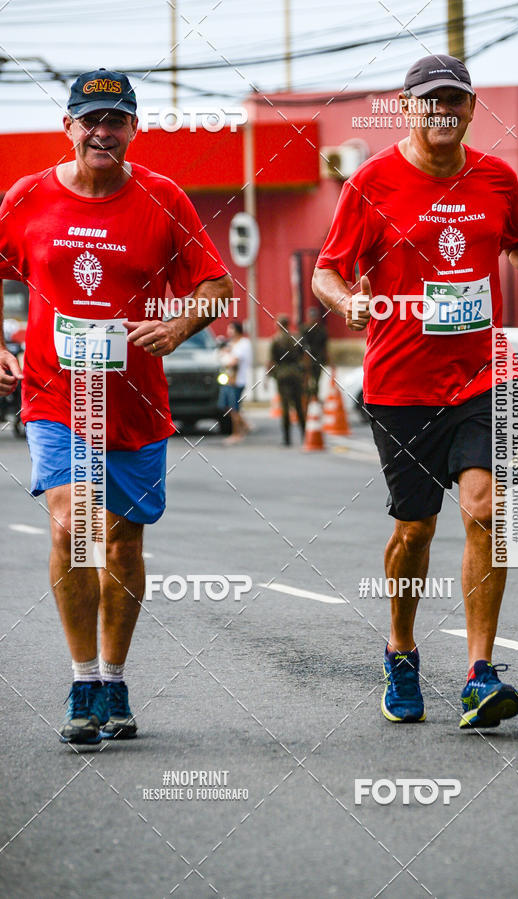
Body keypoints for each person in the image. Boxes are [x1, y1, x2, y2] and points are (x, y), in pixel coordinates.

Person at [312, 54, 518, 729]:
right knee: (414, 527)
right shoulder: (371, 183)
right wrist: (349, 304)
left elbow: (516, 240)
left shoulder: (497, 176)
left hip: (486, 372)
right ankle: (400, 647)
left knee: (489, 510)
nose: (442, 112)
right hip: (402, 381)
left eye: (454, 101)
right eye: (430, 102)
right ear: (408, 108)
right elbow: (327, 271)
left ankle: (481, 673)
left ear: (471, 109)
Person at [0, 68, 233, 744]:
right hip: (55, 391)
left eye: (117, 119)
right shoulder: (27, 198)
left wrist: (180, 326)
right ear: (68, 126)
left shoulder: (164, 199)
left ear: (133, 128)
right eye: (90, 119)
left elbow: (216, 284)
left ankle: (113, 675)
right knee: (72, 525)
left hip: (134, 402)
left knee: (124, 541)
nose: (103, 131)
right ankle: (80, 682)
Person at [269, 315, 306, 445]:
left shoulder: (276, 340)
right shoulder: (296, 338)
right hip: (296, 373)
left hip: (282, 374)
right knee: (299, 406)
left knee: (285, 407)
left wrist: (268, 376)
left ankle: (287, 438)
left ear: (279, 325)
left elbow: (272, 360)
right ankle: (304, 434)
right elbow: (303, 357)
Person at [218, 320, 252, 444]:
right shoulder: (233, 343)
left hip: (237, 380)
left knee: (234, 408)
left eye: (230, 329)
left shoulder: (243, 344)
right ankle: (246, 425)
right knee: (227, 406)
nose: (228, 332)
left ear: (237, 330)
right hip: (228, 380)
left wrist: (225, 359)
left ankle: (237, 434)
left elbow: (234, 361)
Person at [300, 306, 328, 398]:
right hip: (306, 359)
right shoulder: (304, 330)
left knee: (316, 380)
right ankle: (306, 397)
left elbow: (324, 346)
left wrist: (328, 360)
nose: (313, 319)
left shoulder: (321, 330)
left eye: (314, 317)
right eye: (311, 317)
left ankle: (315, 396)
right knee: (305, 379)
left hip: (318, 359)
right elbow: (301, 346)